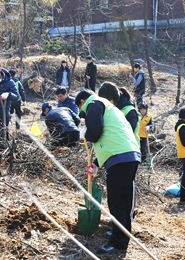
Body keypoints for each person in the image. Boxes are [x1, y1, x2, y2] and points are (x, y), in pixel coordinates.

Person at [75, 89, 140, 254]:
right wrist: (96, 163)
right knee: (123, 203)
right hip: (130, 156)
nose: (83, 114)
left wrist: (85, 133)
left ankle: (118, 243)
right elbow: (111, 138)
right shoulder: (111, 109)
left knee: (117, 203)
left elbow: (95, 134)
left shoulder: (94, 103)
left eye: (81, 110)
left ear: (83, 101)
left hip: (119, 158)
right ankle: (121, 235)